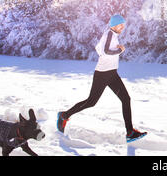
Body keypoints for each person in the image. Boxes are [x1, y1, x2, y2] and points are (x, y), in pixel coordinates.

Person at [57, 14, 147, 143]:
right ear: (114, 25)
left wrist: (116, 50)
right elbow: (105, 51)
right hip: (102, 74)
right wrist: (119, 51)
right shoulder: (109, 34)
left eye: (123, 25)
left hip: (112, 73)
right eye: (120, 24)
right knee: (91, 102)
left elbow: (99, 48)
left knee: (126, 99)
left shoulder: (112, 35)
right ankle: (64, 115)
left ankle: (130, 132)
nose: (122, 27)